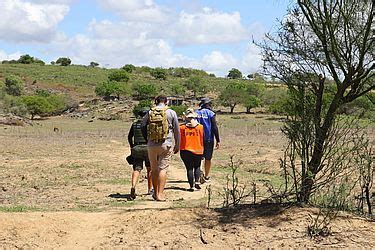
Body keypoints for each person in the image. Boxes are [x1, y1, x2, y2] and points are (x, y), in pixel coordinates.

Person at [141, 95, 180, 201]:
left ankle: (154, 192)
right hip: (166, 144)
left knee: (153, 169)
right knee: (163, 169)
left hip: (152, 144)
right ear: (166, 102)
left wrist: (147, 139)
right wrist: (177, 144)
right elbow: (177, 130)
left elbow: (143, 125)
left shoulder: (150, 112)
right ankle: (160, 194)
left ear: (156, 101)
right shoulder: (171, 112)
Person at [127, 107, 152, 200]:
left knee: (137, 169)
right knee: (150, 169)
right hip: (148, 148)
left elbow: (129, 137)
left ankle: (133, 186)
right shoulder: (149, 124)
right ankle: (150, 189)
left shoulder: (134, 124)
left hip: (136, 148)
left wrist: (132, 146)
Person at [195, 97, 220, 183]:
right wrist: (218, 140)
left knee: (199, 157)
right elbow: (214, 127)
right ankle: (206, 176)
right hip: (209, 139)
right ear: (208, 104)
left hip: (198, 139)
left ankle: (198, 175)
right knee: (208, 158)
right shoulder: (211, 113)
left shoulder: (196, 113)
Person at [180, 108, 204, 191]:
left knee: (189, 168)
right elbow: (203, 139)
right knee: (197, 166)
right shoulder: (201, 127)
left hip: (185, 150)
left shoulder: (182, 127)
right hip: (198, 150)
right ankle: (197, 182)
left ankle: (191, 186)